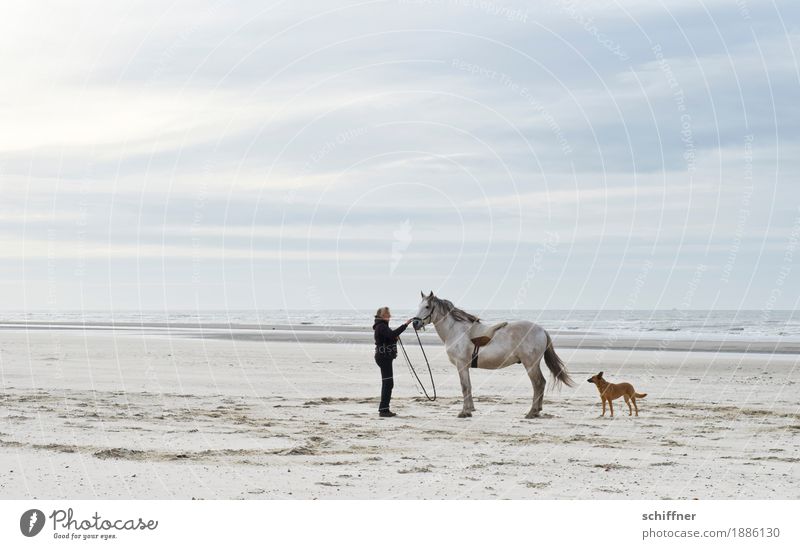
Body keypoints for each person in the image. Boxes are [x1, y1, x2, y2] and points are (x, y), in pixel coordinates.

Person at [372, 306, 413, 418]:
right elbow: (391, 335)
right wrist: (405, 325)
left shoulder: (381, 326)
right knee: (388, 383)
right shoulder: (381, 326)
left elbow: (387, 337)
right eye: (386, 314)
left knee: (388, 383)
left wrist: (393, 338)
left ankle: (384, 409)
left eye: (388, 314)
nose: (388, 316)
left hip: (383, 356)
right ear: (381, 316)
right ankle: (384, 410)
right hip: (383, 357)